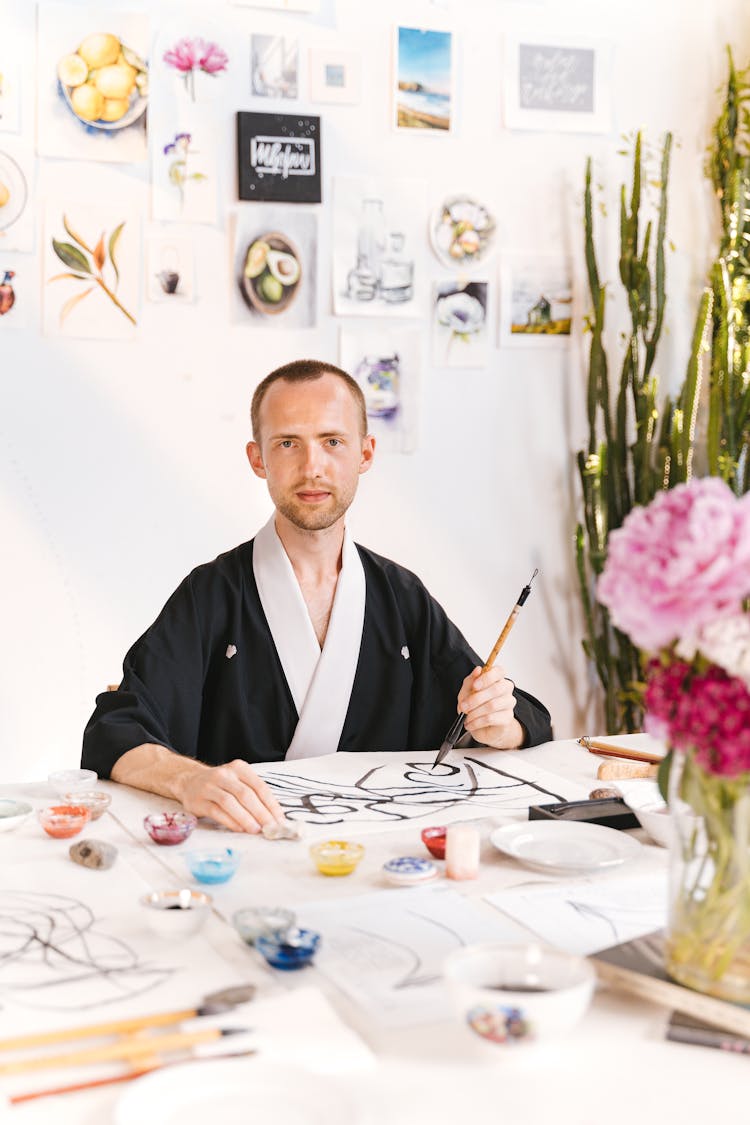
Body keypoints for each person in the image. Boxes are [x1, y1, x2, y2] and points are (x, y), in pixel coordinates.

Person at [82, 359, 552, 833]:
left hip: (380, 855)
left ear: (365, 453)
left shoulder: (400, 596)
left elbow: (516, 716)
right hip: (245, 853)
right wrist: (190, 780)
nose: (312, 468)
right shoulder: (211, 594)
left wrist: (499, 723)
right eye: (288, 443)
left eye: (333, 442)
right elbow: (114, 731)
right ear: (257, 457)